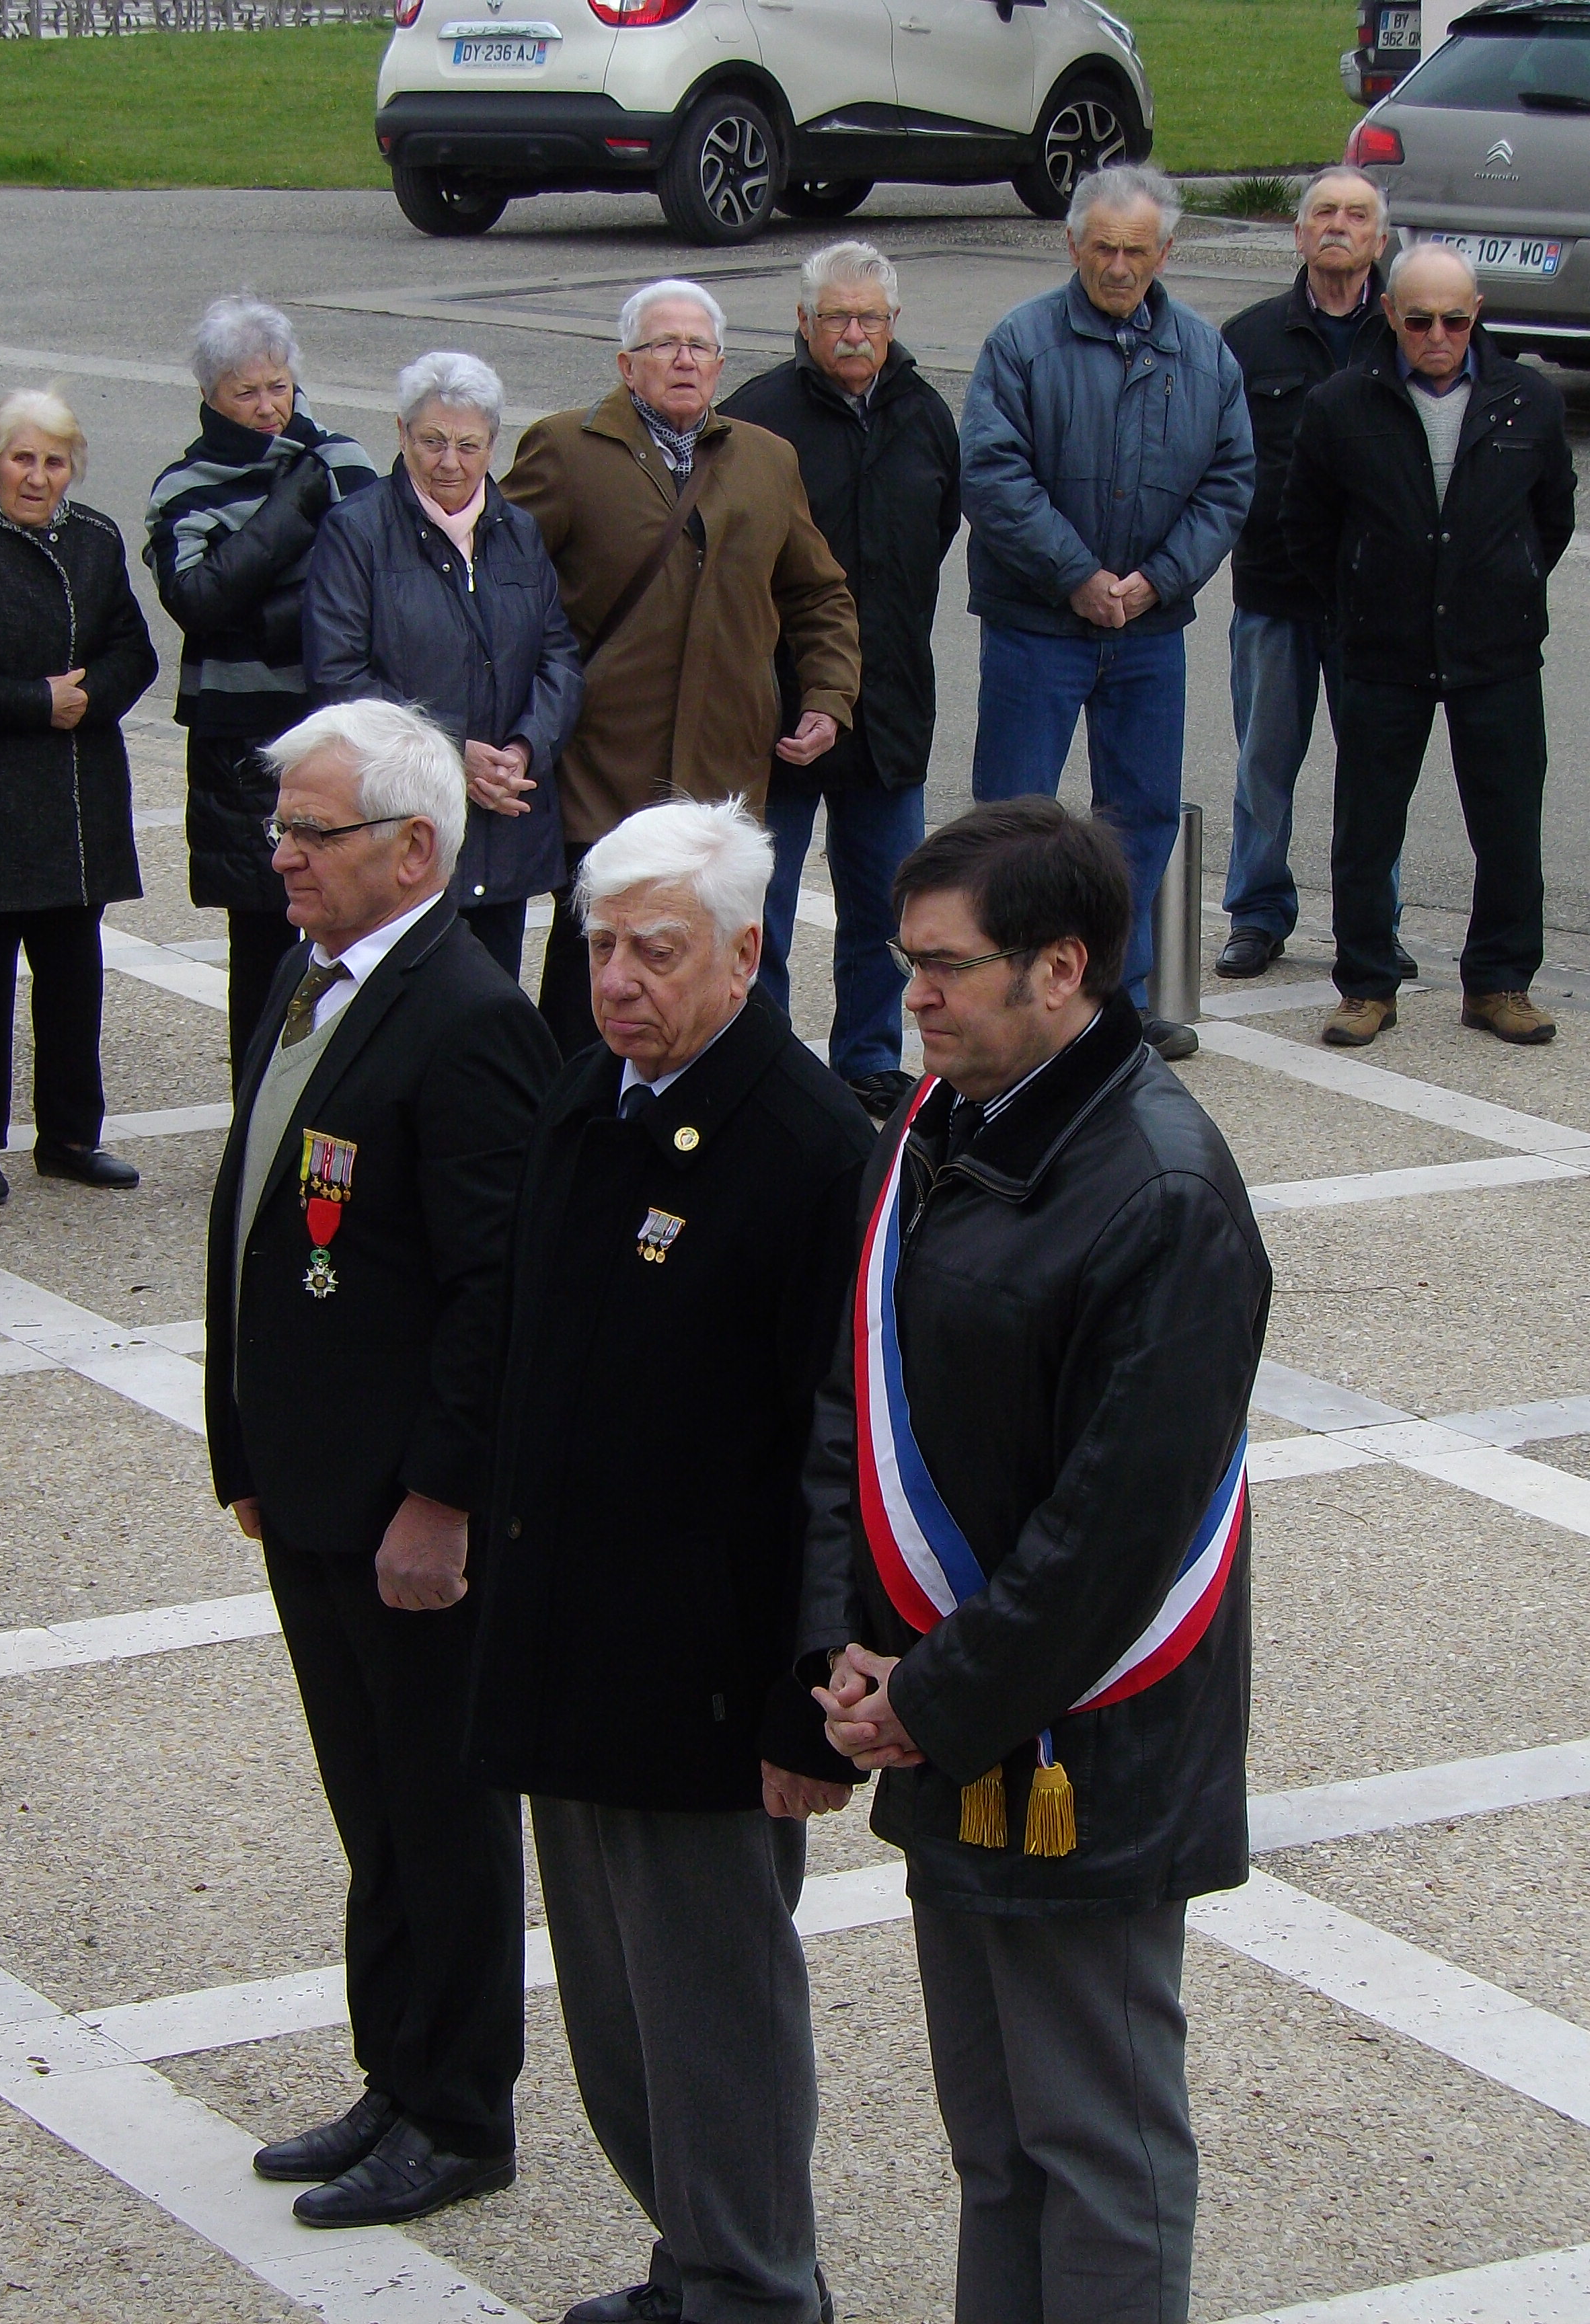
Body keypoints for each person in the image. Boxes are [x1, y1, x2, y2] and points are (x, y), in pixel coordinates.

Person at [798, 797, 1267, 2324]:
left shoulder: (1163, 1192)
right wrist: (844, 1647)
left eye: (944, 966)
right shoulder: (932, 1128)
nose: (912, 995)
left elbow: (1110, 1527)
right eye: (905, 961)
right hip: (946, 1707)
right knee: (995, 2142)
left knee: (1098, 2139)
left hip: (1083, 1745)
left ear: (1059, 968)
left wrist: (931, 1692)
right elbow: (846, 1402)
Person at [468, 800, 871, 2324]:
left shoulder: (807, 1146)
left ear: (747, 954)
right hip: (571, 1642)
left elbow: (828, 1446)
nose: (617, 978)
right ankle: (694, 2259)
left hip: (703, 1670)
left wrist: (800, 1696)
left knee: (713, 2010)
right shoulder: (592, 1100)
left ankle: (758, 2291)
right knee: (615, 2011)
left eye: (655, 949)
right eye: (597, 945)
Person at [204, 698, 558, 2231]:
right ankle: (394, 2072)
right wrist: (245, 1441)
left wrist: (443, 1495)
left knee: (442, 1810)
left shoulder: (467, 1015)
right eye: (280, 826)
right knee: (373, 1806)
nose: (278, 854)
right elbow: (263, 1227)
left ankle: (461, 2108)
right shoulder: (317, 971)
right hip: (311, 1480)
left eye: (310, 832)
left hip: (403, 1506)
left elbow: (500, 1288)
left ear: (415, 849)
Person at [502, 278, 862, 1054]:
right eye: (664, 344)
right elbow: (503, 588)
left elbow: (818, 591)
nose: (683, 359)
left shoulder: (768, 459)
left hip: (723, 766)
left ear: (722, 363)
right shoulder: (565, 448)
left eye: (699, 345)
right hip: (604, 765)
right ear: (627, 365)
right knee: (598, 966)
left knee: (714, 964)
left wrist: (829, 696)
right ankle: (577, 1129)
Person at [960, 163, 1252, 1064]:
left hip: (1149, 633)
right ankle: (1003, 993)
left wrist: (1157, 581)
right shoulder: (1022, 343)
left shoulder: (1205, 355)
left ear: (1167, 251)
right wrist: (1079, 576)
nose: (1119, 268)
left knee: (1142, 816)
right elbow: (993, 475)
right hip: (1038, 625)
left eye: (1136, 252)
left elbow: (1230, 479)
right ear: (1072, 243)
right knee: (1014, 818)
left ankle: (1112, 999)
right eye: (1103, 249)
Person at [1285, 242, 1575, 1050]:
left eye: (1453, 318)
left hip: (1499, 648)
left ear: (1476, 312)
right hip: (1384, 647)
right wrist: (1357, 599)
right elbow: (1305, 526)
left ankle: (1500, 982)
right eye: (1419, 320)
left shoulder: (1529, 402)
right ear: (1391, 316)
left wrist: (1508, 581)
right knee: (1368, 825)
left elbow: (1552, 520)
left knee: (1510, 822)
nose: (1437, 335)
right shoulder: (1341, 405)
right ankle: (1366, 984)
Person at [717, 241, 961, 1118]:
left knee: (886, 913)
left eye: (870, 319)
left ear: (894, 325)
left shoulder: (926, 414)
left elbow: (937, 531)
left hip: (891, 710)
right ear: (802, 324)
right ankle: (763, 1065)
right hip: (777, 714)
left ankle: (866, 1056)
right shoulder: (755, 419)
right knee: (763, 909)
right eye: (836, 319)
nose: (854, 334)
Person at [0, 387, 158, 1208]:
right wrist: (33, 704)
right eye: (24, 458)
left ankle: (71, 1138)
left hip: (77, 795)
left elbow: (134, 648)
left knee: (71, 974)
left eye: (54, 461)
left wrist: (94, 696)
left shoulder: (94, 538)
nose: (38, 475)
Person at [146, 297, 383, 1070]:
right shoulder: (183, 486)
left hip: (334, 731)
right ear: (211, 396)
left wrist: (275, 607)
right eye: (247, 393)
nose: (268, 408)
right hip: (240, 752)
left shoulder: (343, 458)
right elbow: (199, 603)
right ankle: (256, 1110)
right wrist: (294, 510)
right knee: (260, 942)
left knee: (351, 928)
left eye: (279, 387)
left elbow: (378, 580)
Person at [306, 351, 584, 984]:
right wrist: (450, 755)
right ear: (401, 435)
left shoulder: (519, 531)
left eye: (468, 444)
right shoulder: (357, 531)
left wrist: (522, 749)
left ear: (493, 444)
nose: (449, 462)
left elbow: (558, 658)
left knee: (489, 1005)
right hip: (402, 825)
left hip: (504, 817)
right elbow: (338, 676)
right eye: (431, 441)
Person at [1215, 169, 1392, 979]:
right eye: (1323, 213)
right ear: (1297, 233)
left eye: (1357, 216)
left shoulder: (1410, 331)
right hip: (1275, 593)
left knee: (1374, 769)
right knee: (1264, 766)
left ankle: (1372, 921)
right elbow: (1216, 462)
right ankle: (1257, 914)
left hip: (1376, 603)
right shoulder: (1248, 340)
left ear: (1379, 240)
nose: (1339, 227)